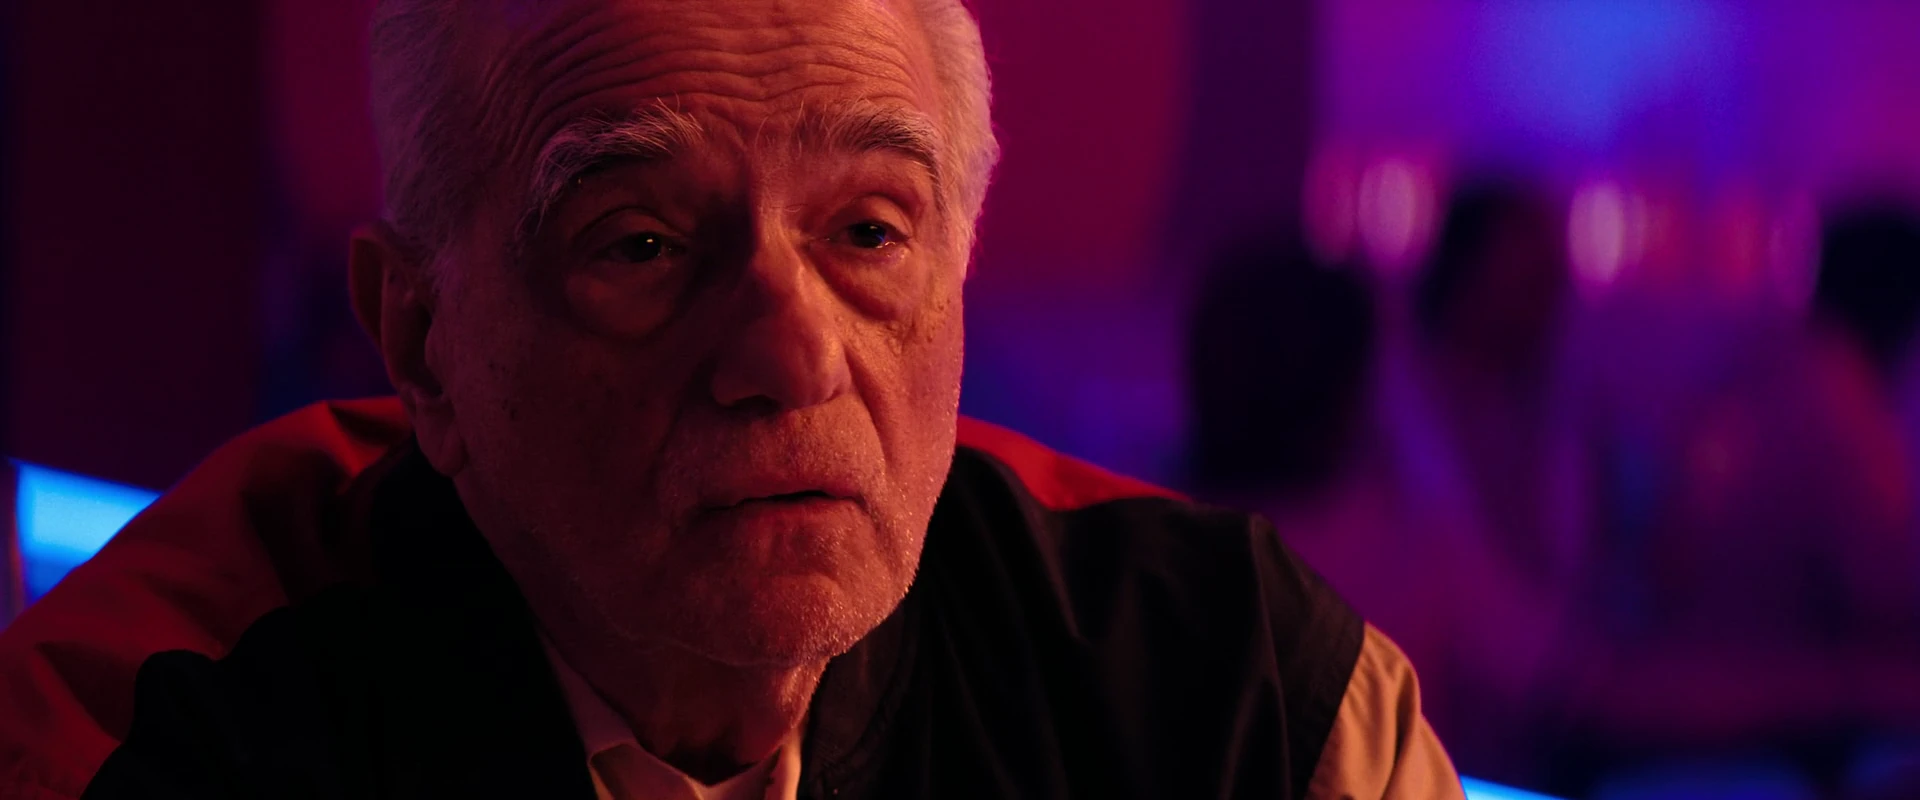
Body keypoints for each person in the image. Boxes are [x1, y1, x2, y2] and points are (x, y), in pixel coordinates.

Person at [0, 1, 1462, 798]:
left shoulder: (1234, 695)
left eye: (869, 233)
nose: (791, 354)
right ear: (422, 340)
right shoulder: (150, 738)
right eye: (638, 244)